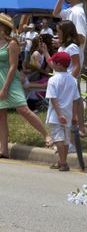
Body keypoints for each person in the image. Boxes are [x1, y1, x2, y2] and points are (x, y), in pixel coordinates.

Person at [0, 13, 51, 158]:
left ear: (4, 27)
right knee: (1, 116)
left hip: (10, 80)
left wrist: (5, 88)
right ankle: (3, 150)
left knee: (23, 109)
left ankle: (46, 135)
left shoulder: (12, 43)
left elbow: (13, 66)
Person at [45, 52, 81, 171]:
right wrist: (75, 115)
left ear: (59, 65)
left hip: (57, 114)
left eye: (54, 62)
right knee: (65, 139)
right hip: (68, 113)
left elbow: (53, 98)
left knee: (58, 138)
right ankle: (62, 161)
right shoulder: (73, 80)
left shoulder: (53, 80)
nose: (52, 64)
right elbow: (76, 99)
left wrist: (59, 114)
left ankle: (63, 162)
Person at [52, 0, 87, 67]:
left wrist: (61, 42)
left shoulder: (77, 13)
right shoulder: (71, 11)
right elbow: (55, 13)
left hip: (72, 66)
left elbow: (81, 38)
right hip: (68, 64)